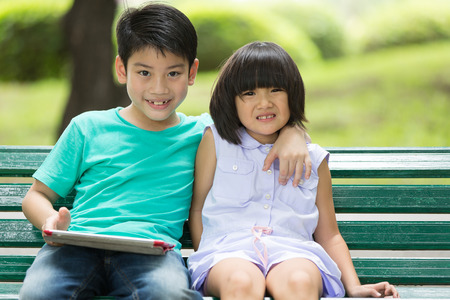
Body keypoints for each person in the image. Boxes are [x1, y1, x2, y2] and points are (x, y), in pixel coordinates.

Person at [19, 4, 311, 300]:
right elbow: (36, 195)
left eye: (173, 73)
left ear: (192, 72)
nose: (158, 88)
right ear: (122, 69)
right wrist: (49, 221)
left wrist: (293, 132)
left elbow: (262, 122)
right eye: (144, 72)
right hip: (76, 246)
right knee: (39, 294)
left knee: (168, 294)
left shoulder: (205, 133)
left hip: (151, 252)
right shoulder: (88, 127)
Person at [188, 41, 400, 300]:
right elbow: (198, 208)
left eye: (276, 90)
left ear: (293, 94)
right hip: (227, 252)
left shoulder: (313, 159)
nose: (264, 102)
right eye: (249, 93)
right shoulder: (217, 142)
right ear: (231, 100)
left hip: (293, 251)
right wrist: (207, 256)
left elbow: (329, 234)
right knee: (241, 282)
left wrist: (353, 286)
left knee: (300, 282)